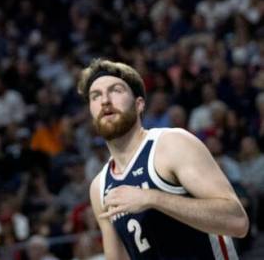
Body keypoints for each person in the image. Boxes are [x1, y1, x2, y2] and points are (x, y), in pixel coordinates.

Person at [81, 59, 249, 260]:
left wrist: (152, 198)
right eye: (96, 96)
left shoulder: (172, 144)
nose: (105, 100)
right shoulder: (99, 187)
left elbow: (237, 221)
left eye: (115, 90)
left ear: (139, 104)